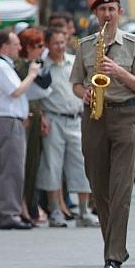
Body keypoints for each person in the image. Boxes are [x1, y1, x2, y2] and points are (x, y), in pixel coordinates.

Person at [70, 0, 135, 268]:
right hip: (94, 116)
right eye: (102, 10)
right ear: (96, 14)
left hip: (124, 115)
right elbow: (75, 83)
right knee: (99, 188)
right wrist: (83, 93)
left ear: (119, 12)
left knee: (120, 188)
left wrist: (118, 72)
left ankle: (113, 255)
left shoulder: (134, 44)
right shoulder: (85, 45)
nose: (107, 14)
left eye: (112, 9)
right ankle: (113, 247)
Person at [36, 29, 99, 228]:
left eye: (62, 42)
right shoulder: (42, 66)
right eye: (56, 43)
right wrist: (42, 115)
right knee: (52, 165)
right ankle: (55, 211)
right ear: (48, 45)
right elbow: (35, 95)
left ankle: (84, 211)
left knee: (81, 164)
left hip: (75, 119)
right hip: (53, 119)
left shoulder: (74, 62)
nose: (60, 47)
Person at [0, 31, 42, 230]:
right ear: (4, 47)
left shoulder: (2, 65)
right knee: (12, 169)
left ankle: (2, 213)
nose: (19, 48)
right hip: (8, 121)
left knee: (5, 168)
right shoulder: (1, 66)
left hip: (9, 121)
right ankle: (8, 213)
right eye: (16, 44)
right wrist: (32, 74)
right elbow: (16, 91)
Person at [16, 28, 48, 225]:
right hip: (24, 114)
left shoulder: (35, 64)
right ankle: (23, 205)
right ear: (28, 47)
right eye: (39, 45)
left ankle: (30, 203)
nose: (41, 49)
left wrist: (42, 115)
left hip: (35, 113)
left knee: (34, 162)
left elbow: (40, 91)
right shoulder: (20, 65)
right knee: (23, 162)